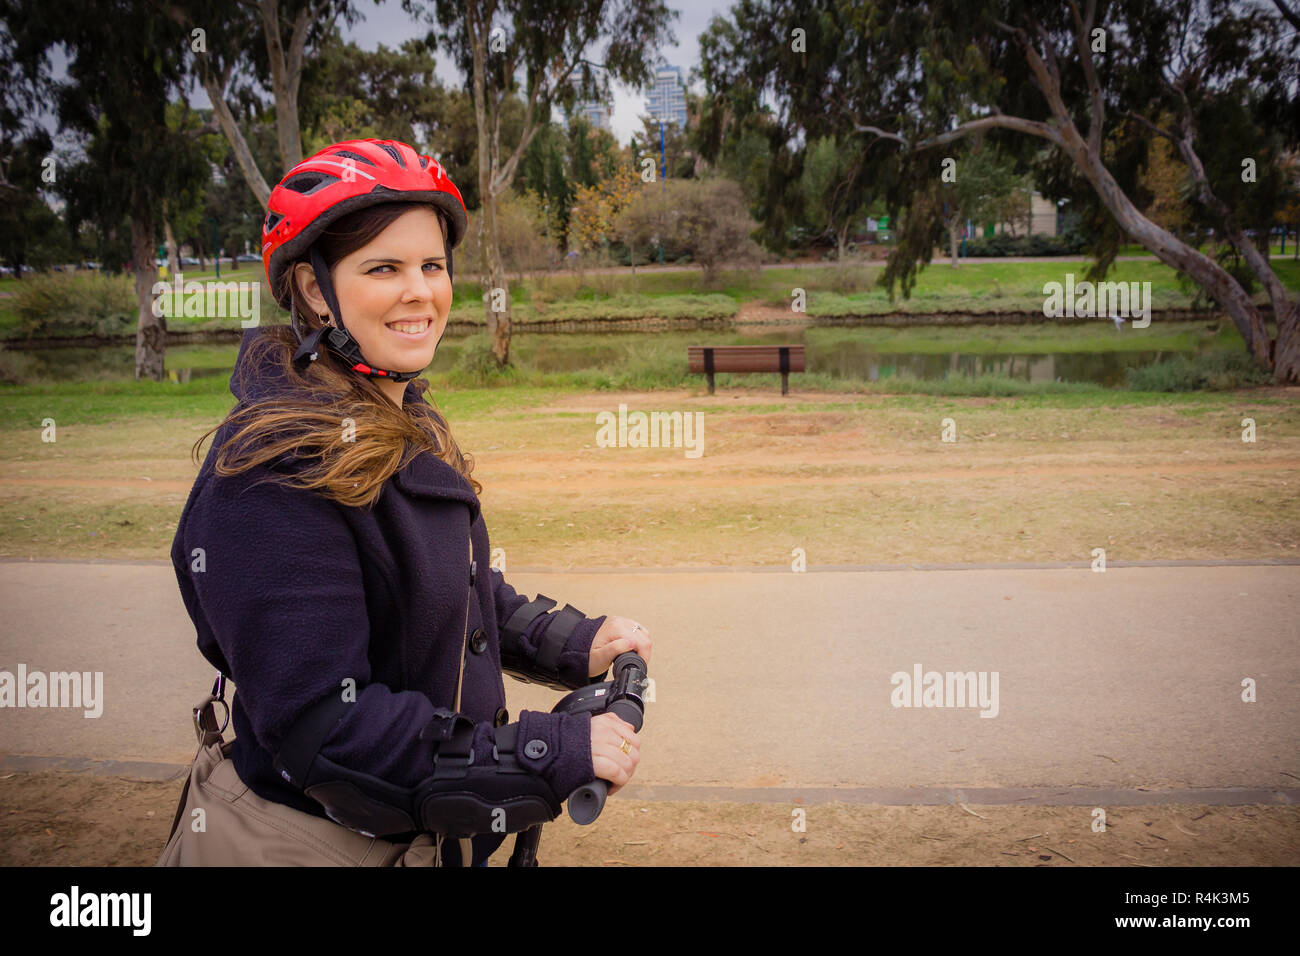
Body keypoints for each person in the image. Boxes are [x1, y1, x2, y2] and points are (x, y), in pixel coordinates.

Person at [171, 138, 651, 866]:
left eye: (431, 265)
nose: (420, 291)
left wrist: (570, 642)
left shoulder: (399, 419)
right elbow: (326, 727)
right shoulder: (268, 477)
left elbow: (446, 588)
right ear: (311, 288)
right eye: (383, 268)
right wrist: (543, 748)